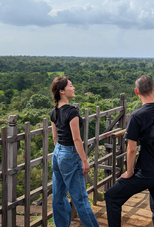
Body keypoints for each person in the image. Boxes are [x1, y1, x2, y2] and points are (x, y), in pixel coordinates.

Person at [105, 75, 154, 227]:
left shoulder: (136, 116)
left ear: (136, 92)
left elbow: (131, 149)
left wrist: (129, 172)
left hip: (147, 172)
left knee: (111, 196)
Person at [50, 76, 99, 227]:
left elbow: (54, 137)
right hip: (70, 155)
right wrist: (84, 160)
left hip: (57, 153)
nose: (74, 88)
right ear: (62, 91)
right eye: (71, 86)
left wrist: (60, 151)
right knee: (80, 199)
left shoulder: (54, 111)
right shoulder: (72, 112)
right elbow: (77, 140)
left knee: (58, 196)